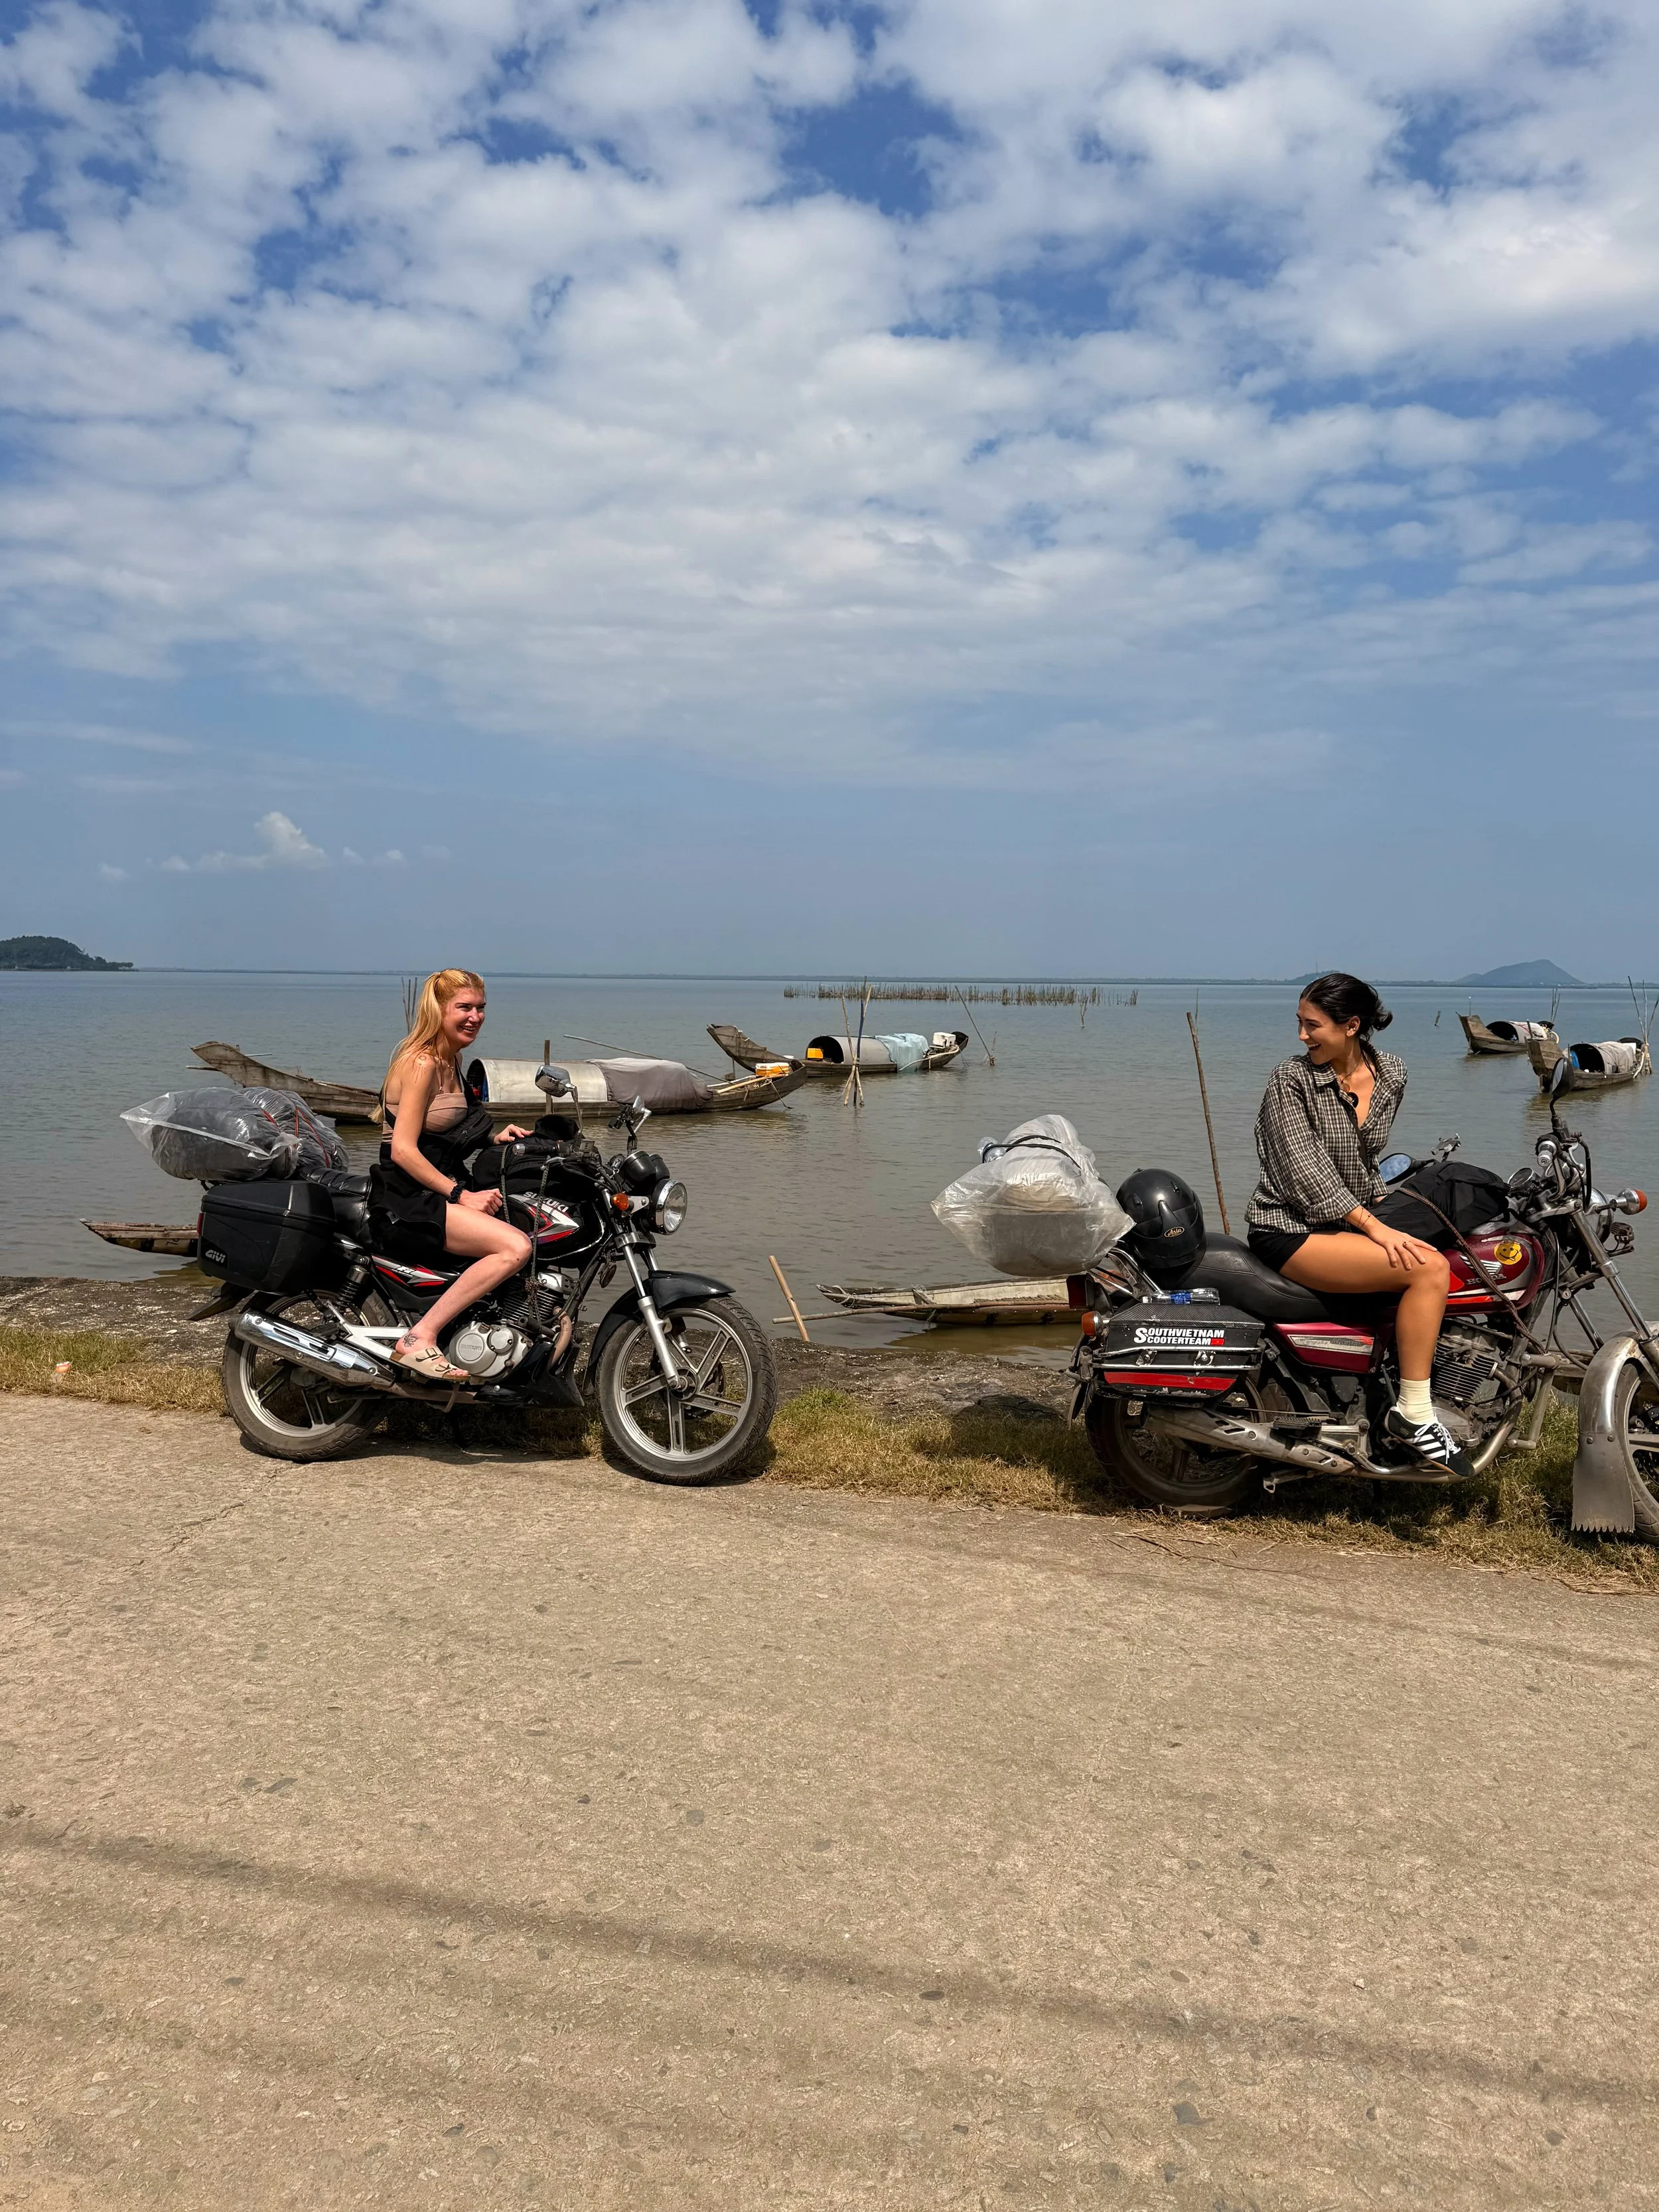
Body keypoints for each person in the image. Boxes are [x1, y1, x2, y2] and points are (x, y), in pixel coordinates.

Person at [1246, 971, 1471, 1475]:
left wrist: (1391, 1204)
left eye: (1312, 1025)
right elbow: (1305, 1170)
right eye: (1301, 1023)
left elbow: (1363, 1159)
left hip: (1347, 1223)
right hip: (1289, 1227)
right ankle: (1415, 1414)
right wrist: (1376, 1226)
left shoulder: (1391, 1073)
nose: (1302, 1036)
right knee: (1429, 1269)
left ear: (1351, 1026)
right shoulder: (1290, 1080)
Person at [369, 968, 533, 1385]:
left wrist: (495, 1136)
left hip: (438, 1184)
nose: (475, 1017)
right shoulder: (421, 1063)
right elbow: (403, 1150)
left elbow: (443, 1130)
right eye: (464, 1007)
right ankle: (420, 1336)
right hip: (409, 1196)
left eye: (481, 1008)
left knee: (532, 1219)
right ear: (438, 1010)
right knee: (515, 1247)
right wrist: (461, 1195)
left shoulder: (453, 1059)